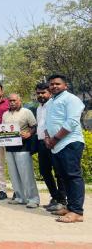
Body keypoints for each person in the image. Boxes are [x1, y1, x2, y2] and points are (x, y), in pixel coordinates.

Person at [45, 74, 85, 223]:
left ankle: (77, 212)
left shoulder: (72, 99)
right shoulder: (51, 102)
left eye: (57, 84)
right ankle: (70, 207)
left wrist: (54, 139)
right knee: (64, 177)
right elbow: (48, 122)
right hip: (56, 145)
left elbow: (72, 122)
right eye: (51, 84)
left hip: (70, 143)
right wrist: (48, 138)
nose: (54, 86)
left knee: (73, 177)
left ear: (65, 86)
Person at [3, 93, 39, 208]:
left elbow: (34, 126)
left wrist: (29, 133)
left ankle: (33, 199)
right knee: (13, 174)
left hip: (23, 147)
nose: (12, 102)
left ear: (20, 100)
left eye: (14, 100)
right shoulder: (5, 114)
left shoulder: (26, 112)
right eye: (10, 101)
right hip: (9, 147)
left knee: (26, 174)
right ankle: (20, 197)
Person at [35, 82, 66, 212]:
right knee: (44, 171)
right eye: (38, 93)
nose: (41, 95)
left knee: (59, 172)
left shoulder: (53, 105)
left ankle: (62, 200)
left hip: (54, 142)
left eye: (43, 93)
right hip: (42, 143)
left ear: (49, 92)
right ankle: (55, 197)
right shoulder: (38, 108)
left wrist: (52, 139)